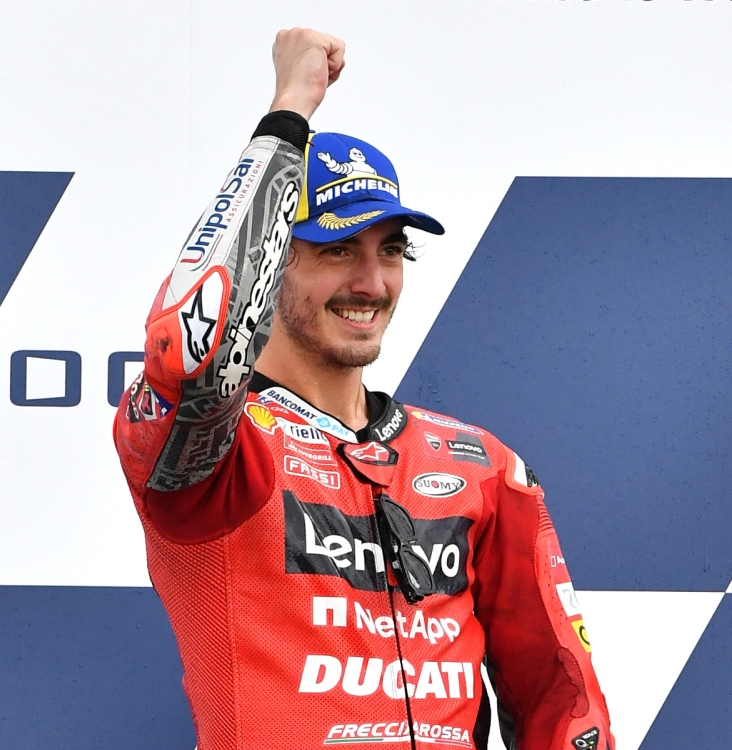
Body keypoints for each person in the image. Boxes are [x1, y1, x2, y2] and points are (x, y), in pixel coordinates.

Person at [114, 28, 614, 750]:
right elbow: (189, 351)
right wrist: (288, 114)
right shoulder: (219, 456)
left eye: (391, 251)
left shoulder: (481, 467)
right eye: (336, 249)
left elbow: (565, 702)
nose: (371, 283)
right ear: (271, 263)